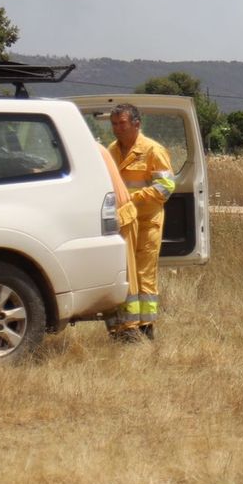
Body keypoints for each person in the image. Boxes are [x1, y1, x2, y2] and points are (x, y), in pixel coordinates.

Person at [107, 103, 175, 339]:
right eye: (114, 124)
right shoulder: (111, 151)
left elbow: (165, 187)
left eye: (122, 123)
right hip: (122, 223)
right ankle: (123, 326)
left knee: (144, 275)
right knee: (122, 273)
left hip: (147, 222)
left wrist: (132, 198)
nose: (117, 129)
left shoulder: (153, 151)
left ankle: (146, 328)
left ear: (136, 124)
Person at [99, 142, 141, 340]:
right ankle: (116, 328)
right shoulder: (101, 148)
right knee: (110, 275)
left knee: (125, 274)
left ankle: (130, 328)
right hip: (109, 217)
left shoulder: (89, 150)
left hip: (120, 216)